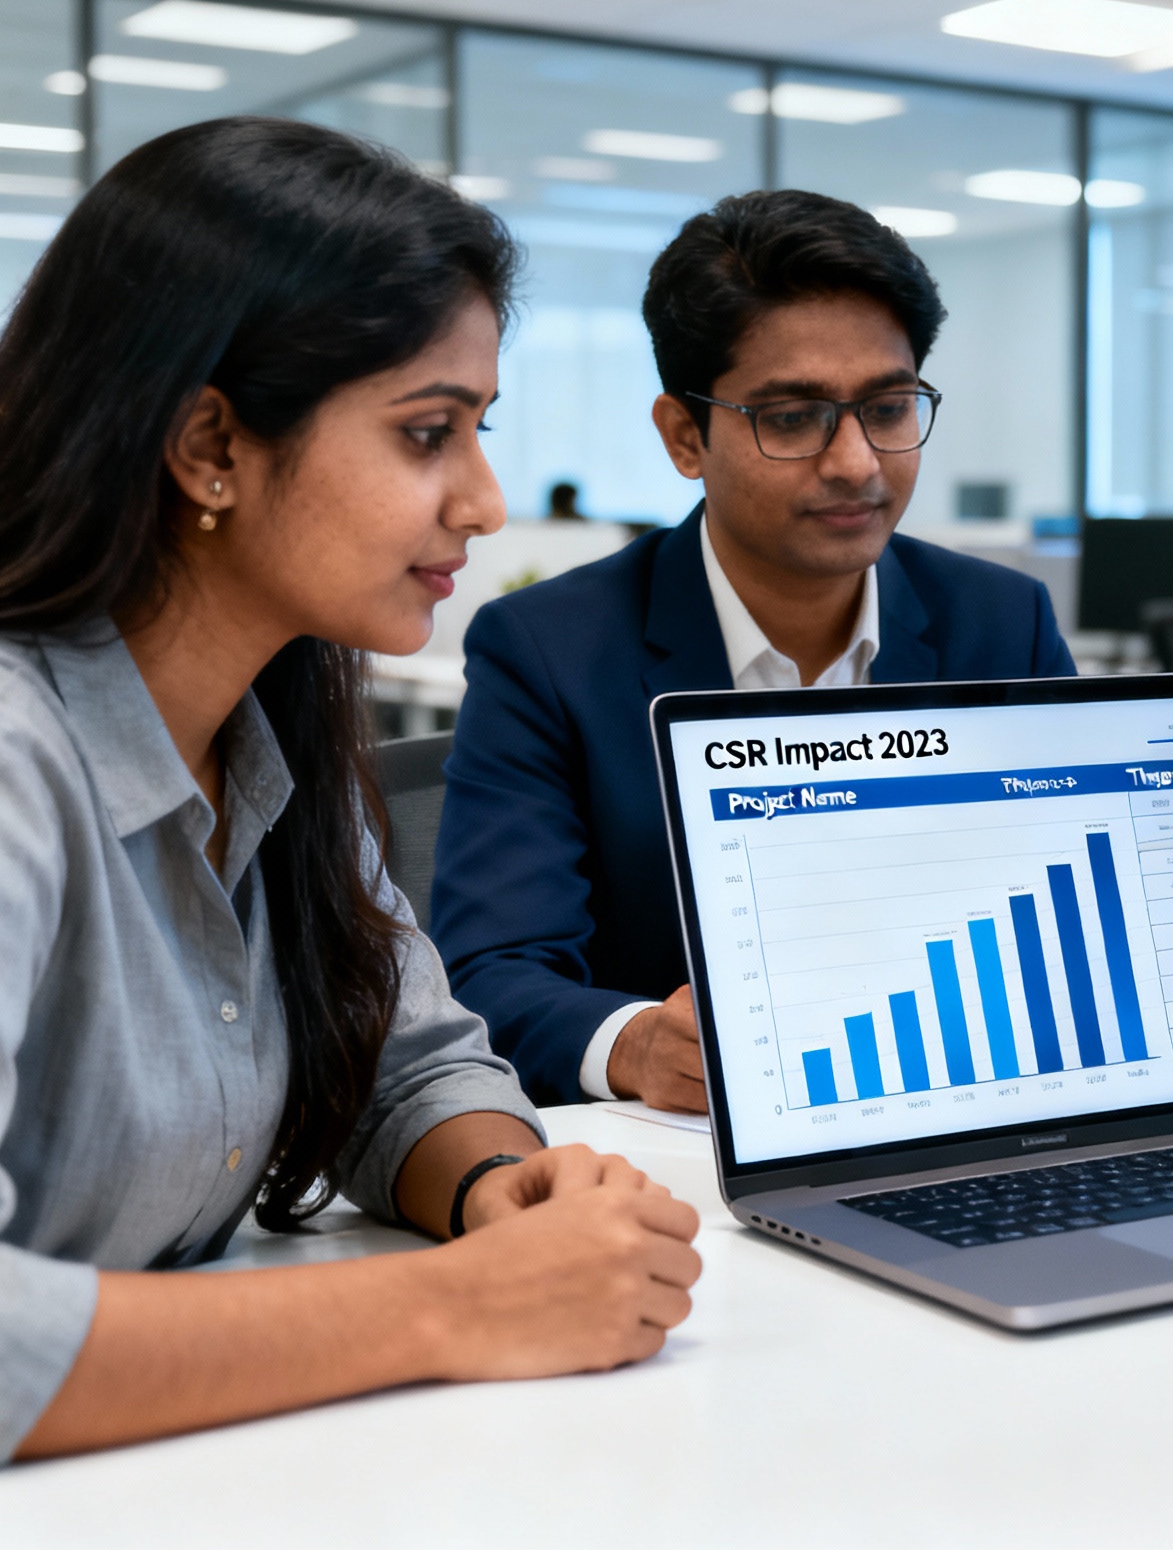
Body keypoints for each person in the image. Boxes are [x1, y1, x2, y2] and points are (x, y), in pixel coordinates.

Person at [0, 117, 701, 1465]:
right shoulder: (22, 756)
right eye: (427, 433)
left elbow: (410, 1065)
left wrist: (503, 1189)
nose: (486, 503)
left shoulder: (267, 732)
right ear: (211, 443)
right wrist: (456, 1306)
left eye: (480, 430)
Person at [434, 190, 1077, 1111]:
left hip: (972, 1120)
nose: (856, 461)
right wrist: (635, 1045)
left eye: (889, 408)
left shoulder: (998, 623)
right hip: (694, 1173)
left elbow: (1090, 921)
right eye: (793, 418)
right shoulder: (550, 653)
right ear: (684, 437)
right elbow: (491, 974)